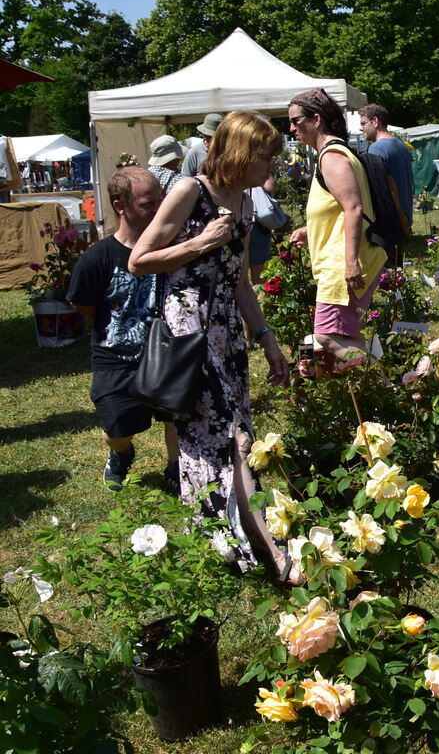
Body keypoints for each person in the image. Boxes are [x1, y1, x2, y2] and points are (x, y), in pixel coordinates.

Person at [127, 111, 291, 580]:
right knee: (229, 436)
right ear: (240, 151)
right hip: (190, 333)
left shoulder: (241, 200)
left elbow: (241, 282)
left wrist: (267, 338)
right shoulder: (189, 191)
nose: (271, 169)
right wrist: (198, 243)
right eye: (265, 157)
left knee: (225, 434)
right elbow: (140, 260)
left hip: (223, 329)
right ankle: (269, 553)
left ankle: (219, 541)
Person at [67, 167, 179, 491]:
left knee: (175, 413)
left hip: (166, 350)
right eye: (147, 204)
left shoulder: (170, 246)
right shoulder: (97, 258)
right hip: (116, 355)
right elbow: (83, 304)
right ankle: (120, 454)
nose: (158, 211)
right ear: (121, 207)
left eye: (160, 202)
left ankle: (176, 465)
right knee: (117, 428)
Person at [287, 89, 389, 361]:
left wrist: (350, 262)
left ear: (316, 119)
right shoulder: (334, 152)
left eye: (296, 121)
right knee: (346, 335)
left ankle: (386, 389)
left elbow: (354, 208)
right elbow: (342, 210)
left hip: (341, 265)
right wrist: (312, 230)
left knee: (327, 336)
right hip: (341, 261)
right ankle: (376, 395)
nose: (292, 128)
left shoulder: (331, 156)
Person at [359, 103, 414, 234]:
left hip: (391, 221)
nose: (361, 128)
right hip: (404, 218)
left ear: (375, 121)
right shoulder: (400, 145)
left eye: (363, 123)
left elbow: (376, 189)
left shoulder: (377, 148)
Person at [180, 113, 223, 177]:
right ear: (205, 134)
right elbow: (185, 178)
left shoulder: (228, 150)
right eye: (210, 136)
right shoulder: (194, 152)